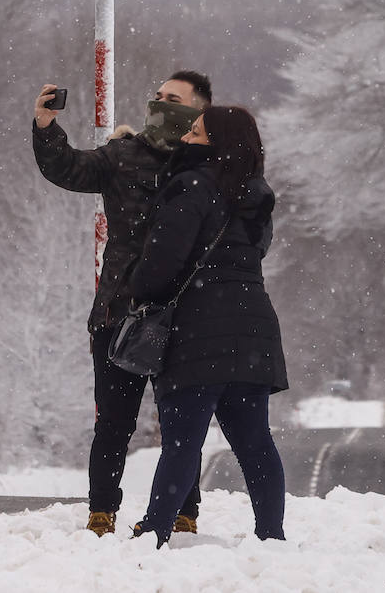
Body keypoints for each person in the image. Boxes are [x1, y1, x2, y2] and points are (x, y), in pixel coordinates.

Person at [31, 71, 214, 537]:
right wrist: (47, 127)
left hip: (187, 313)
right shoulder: (125, 154)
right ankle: (100, 513)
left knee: (181, 426)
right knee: (114, 423)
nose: (160, 103)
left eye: (173, 99)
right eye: (158, 95)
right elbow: (68, 169)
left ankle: (183, 512)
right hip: (120, 309)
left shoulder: (208, 164)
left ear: (199, 110)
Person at [125, 106, 289, 546]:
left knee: (182, 441)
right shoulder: (258, 194)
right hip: (254, 328)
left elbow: (162, 261)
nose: (186, 137)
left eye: (195, 132)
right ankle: (271, 535)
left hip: (198, 329)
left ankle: (155, 529)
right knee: (255, 442)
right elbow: (258, 251)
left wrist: (139, 291)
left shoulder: (192, 187)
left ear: (215, 142)